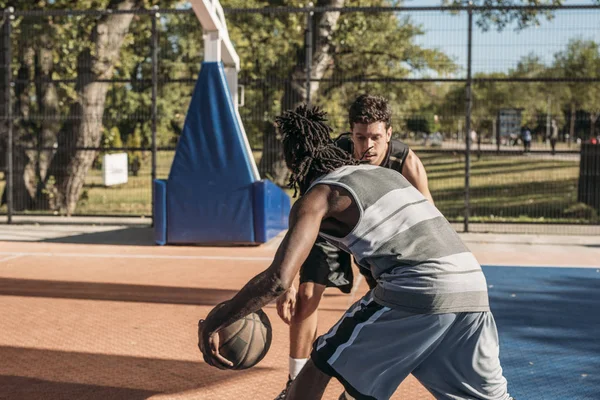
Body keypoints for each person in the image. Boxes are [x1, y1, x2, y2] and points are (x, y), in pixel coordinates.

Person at [199, 105, 512, 400]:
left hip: (418, 284)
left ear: (294, 164)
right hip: (471, 285)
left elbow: (277, 280)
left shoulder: (318, 196)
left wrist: (219, 319)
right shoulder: (388, 175)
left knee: (321, 361)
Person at [274, 94, 433, 399]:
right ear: (351, 133)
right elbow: (304, 217)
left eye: (375, 136)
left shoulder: (406, 162)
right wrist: (287, 281)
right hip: (334, 230)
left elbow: (430, 219)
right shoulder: (334, 156)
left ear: (388, 133)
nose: (367, 146)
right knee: (307, 296)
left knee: (390, 307)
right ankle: (295, 382)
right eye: (360, 137)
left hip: (378, 237)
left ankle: (359, 387)